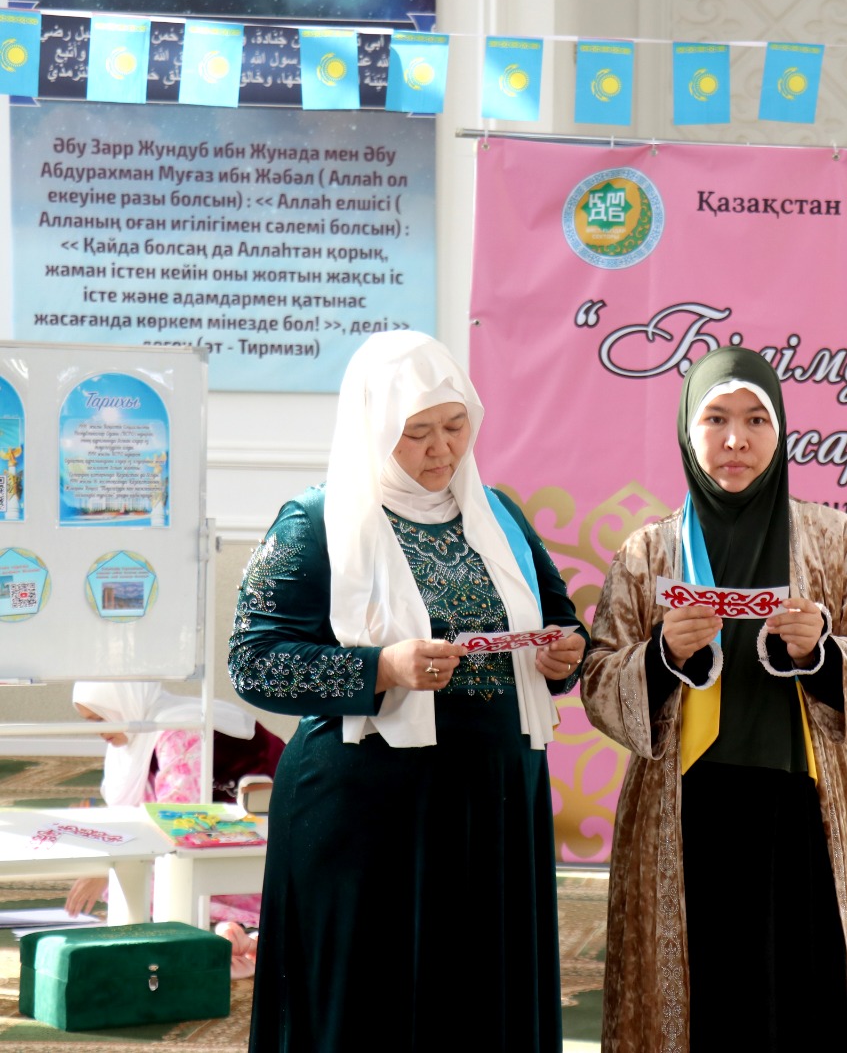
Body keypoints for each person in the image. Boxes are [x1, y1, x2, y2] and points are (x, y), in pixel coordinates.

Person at [228, 330, 584, 1053]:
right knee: (370, 1004)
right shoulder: (315, 521)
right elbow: (254, 662)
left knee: (478, 1003)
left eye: (455, 426)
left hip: (492, 807)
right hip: (367, 814)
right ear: (372, 426)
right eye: (416, 432)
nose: (441, 449)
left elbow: (561, 621)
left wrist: (565, 655)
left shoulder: (498, 516)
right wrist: (381, 669)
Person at [581, 347, 847, 1052]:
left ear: (781, 430)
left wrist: (820, 653)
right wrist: (663, 656)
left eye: (757, 420)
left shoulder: (830, 538)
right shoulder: (647, 552)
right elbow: (599, 679)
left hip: (797, 810)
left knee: (797, 998)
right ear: (687, 431)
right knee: (698, 1006)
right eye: (716, 419)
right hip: (681, 814)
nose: (736, 440)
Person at [65, 681, 285, 977]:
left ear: (124, 706)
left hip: (271, 837)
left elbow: (177, 818)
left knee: (152, 876)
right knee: (133, 874)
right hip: (226, 829)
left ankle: (241, 936)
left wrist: (108, 866)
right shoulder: (142, 731)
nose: (99, 731)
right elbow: (144, 810)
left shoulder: (178, 729)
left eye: (101, 719)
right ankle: (235, 935)